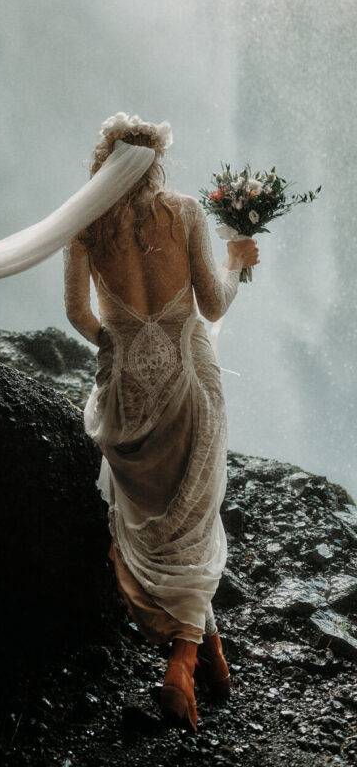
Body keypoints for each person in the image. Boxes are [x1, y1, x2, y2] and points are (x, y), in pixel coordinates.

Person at [62, 113, 259, 731]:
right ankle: (181, 665)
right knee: (193, 525)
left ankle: (214, 662)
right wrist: (236, 263)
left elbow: (75, 312)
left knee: (165, 529)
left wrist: (114, 342)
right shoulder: (186, 214)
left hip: (128, 397)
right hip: (191, 386)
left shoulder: (85, 230)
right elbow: (212, 303)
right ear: (157, 162)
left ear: (105, 163)